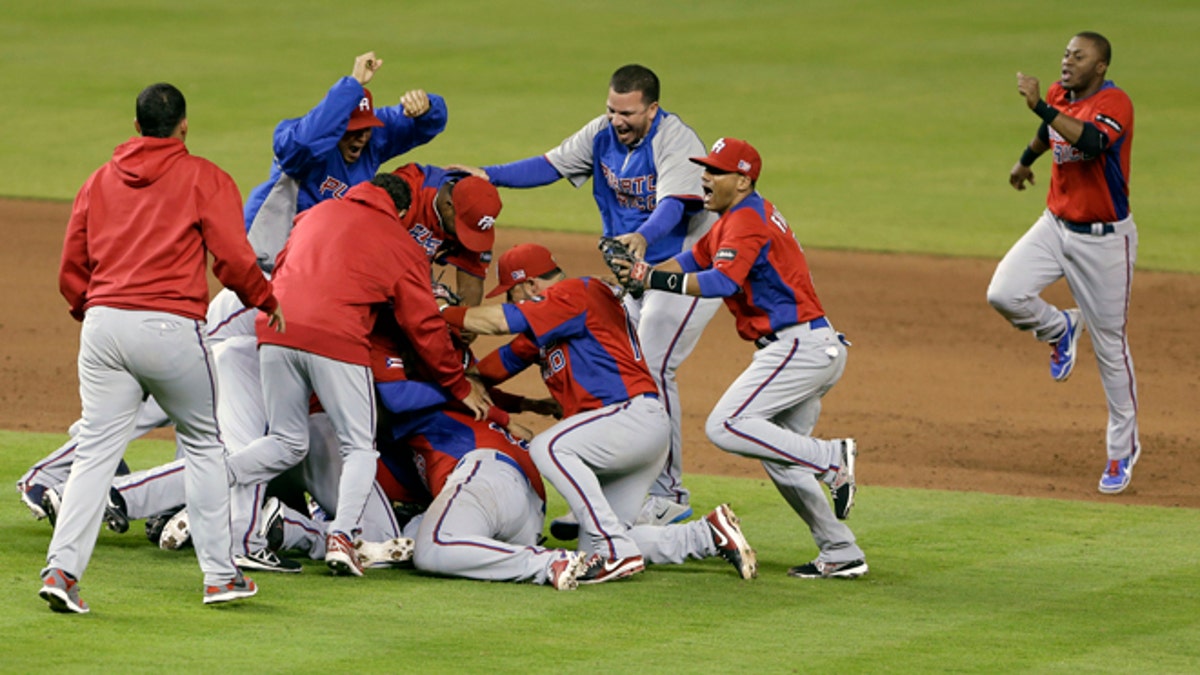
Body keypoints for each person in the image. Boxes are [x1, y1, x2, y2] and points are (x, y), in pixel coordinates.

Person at [42, 82, 284, 613]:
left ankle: (62, 570)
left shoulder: (98, 180)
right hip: (172, 329)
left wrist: (97, 313)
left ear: (136, 127)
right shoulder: (205, 177)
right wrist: (265, 300)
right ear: (184, 125)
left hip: (104, 326)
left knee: (95, 454)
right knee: (203, 444)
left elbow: (71, 267)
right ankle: (220, 576)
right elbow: (234, 260)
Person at [450, 64, 721, 528]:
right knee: (626, 365)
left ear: (652, 109)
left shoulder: (676, 141)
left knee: (654, 365)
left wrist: (640, 237)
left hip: (686, 268)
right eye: (612, 109)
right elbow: (550, 164)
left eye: (629, 112)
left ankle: (666, 493)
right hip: (632, 277)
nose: (618, 119)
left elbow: (674, 206)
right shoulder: (601, 134)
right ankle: (616, 498)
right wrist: (488, 175)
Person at [615, 138, 866, 579]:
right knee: (781, 455)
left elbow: (722, 281)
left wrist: (650, 277)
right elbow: (693, 259)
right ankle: (841, 551)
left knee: (726, 425)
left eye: (716, 171)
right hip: (805, 346)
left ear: (743, 181)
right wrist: (644, 278)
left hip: (799, 347)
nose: (705, 178)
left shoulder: (748, 221)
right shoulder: (734, 219)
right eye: (705, 169)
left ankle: (831, 458)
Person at [225, 173, 490, 578]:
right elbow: (425, 326)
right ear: (402, 212)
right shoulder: (400, 241)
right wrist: (457, 383)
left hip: (274, 329)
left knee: (284, 441)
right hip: (337, 339)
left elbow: (281, 266)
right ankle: (342, 538)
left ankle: (209, 477)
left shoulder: (314, 214)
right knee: (360, 448)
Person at [442, 243, 757, 584]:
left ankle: (616, 552)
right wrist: (464, 376)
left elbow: (501, 322)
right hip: (628, 433)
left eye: (511, 292)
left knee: (549, 447)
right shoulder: (551, 323)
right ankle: (707, 535)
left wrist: (437, 311)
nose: (509, 301)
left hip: (628, 417)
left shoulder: (574, 293)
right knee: (593, 543)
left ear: (530, 285)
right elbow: (490, 369)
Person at [986, 32, 1140, 494]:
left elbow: (1091, 142)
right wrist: (1024, 160)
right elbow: (1049, 131)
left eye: (1079, 56)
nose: (1068, 61)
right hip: (1055, 225)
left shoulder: (1115, 104)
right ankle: (1060, 329)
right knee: (1004, 292)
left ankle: (1121, 450)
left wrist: (1041, 107)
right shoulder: (1058, 94)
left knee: (1111, 348)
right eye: (1066, 53)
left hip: (1105, 242)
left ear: (1100, 67)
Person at [245, 51, 448, 272]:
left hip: (321, 253)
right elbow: (305, 144)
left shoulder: (373, 140)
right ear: (335, 126)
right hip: (268, 249)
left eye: (365, 129)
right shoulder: (297, 140)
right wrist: (352, 84)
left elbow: (426, 124)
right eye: (352, 130)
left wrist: (427, 107)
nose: (361, 137)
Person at [390, 163, 503, 307]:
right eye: (464, 229)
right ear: (448, 206)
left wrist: (452, 320)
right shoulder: (407, 190)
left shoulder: (476, 215)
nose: (467, 237)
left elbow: (470, 293)